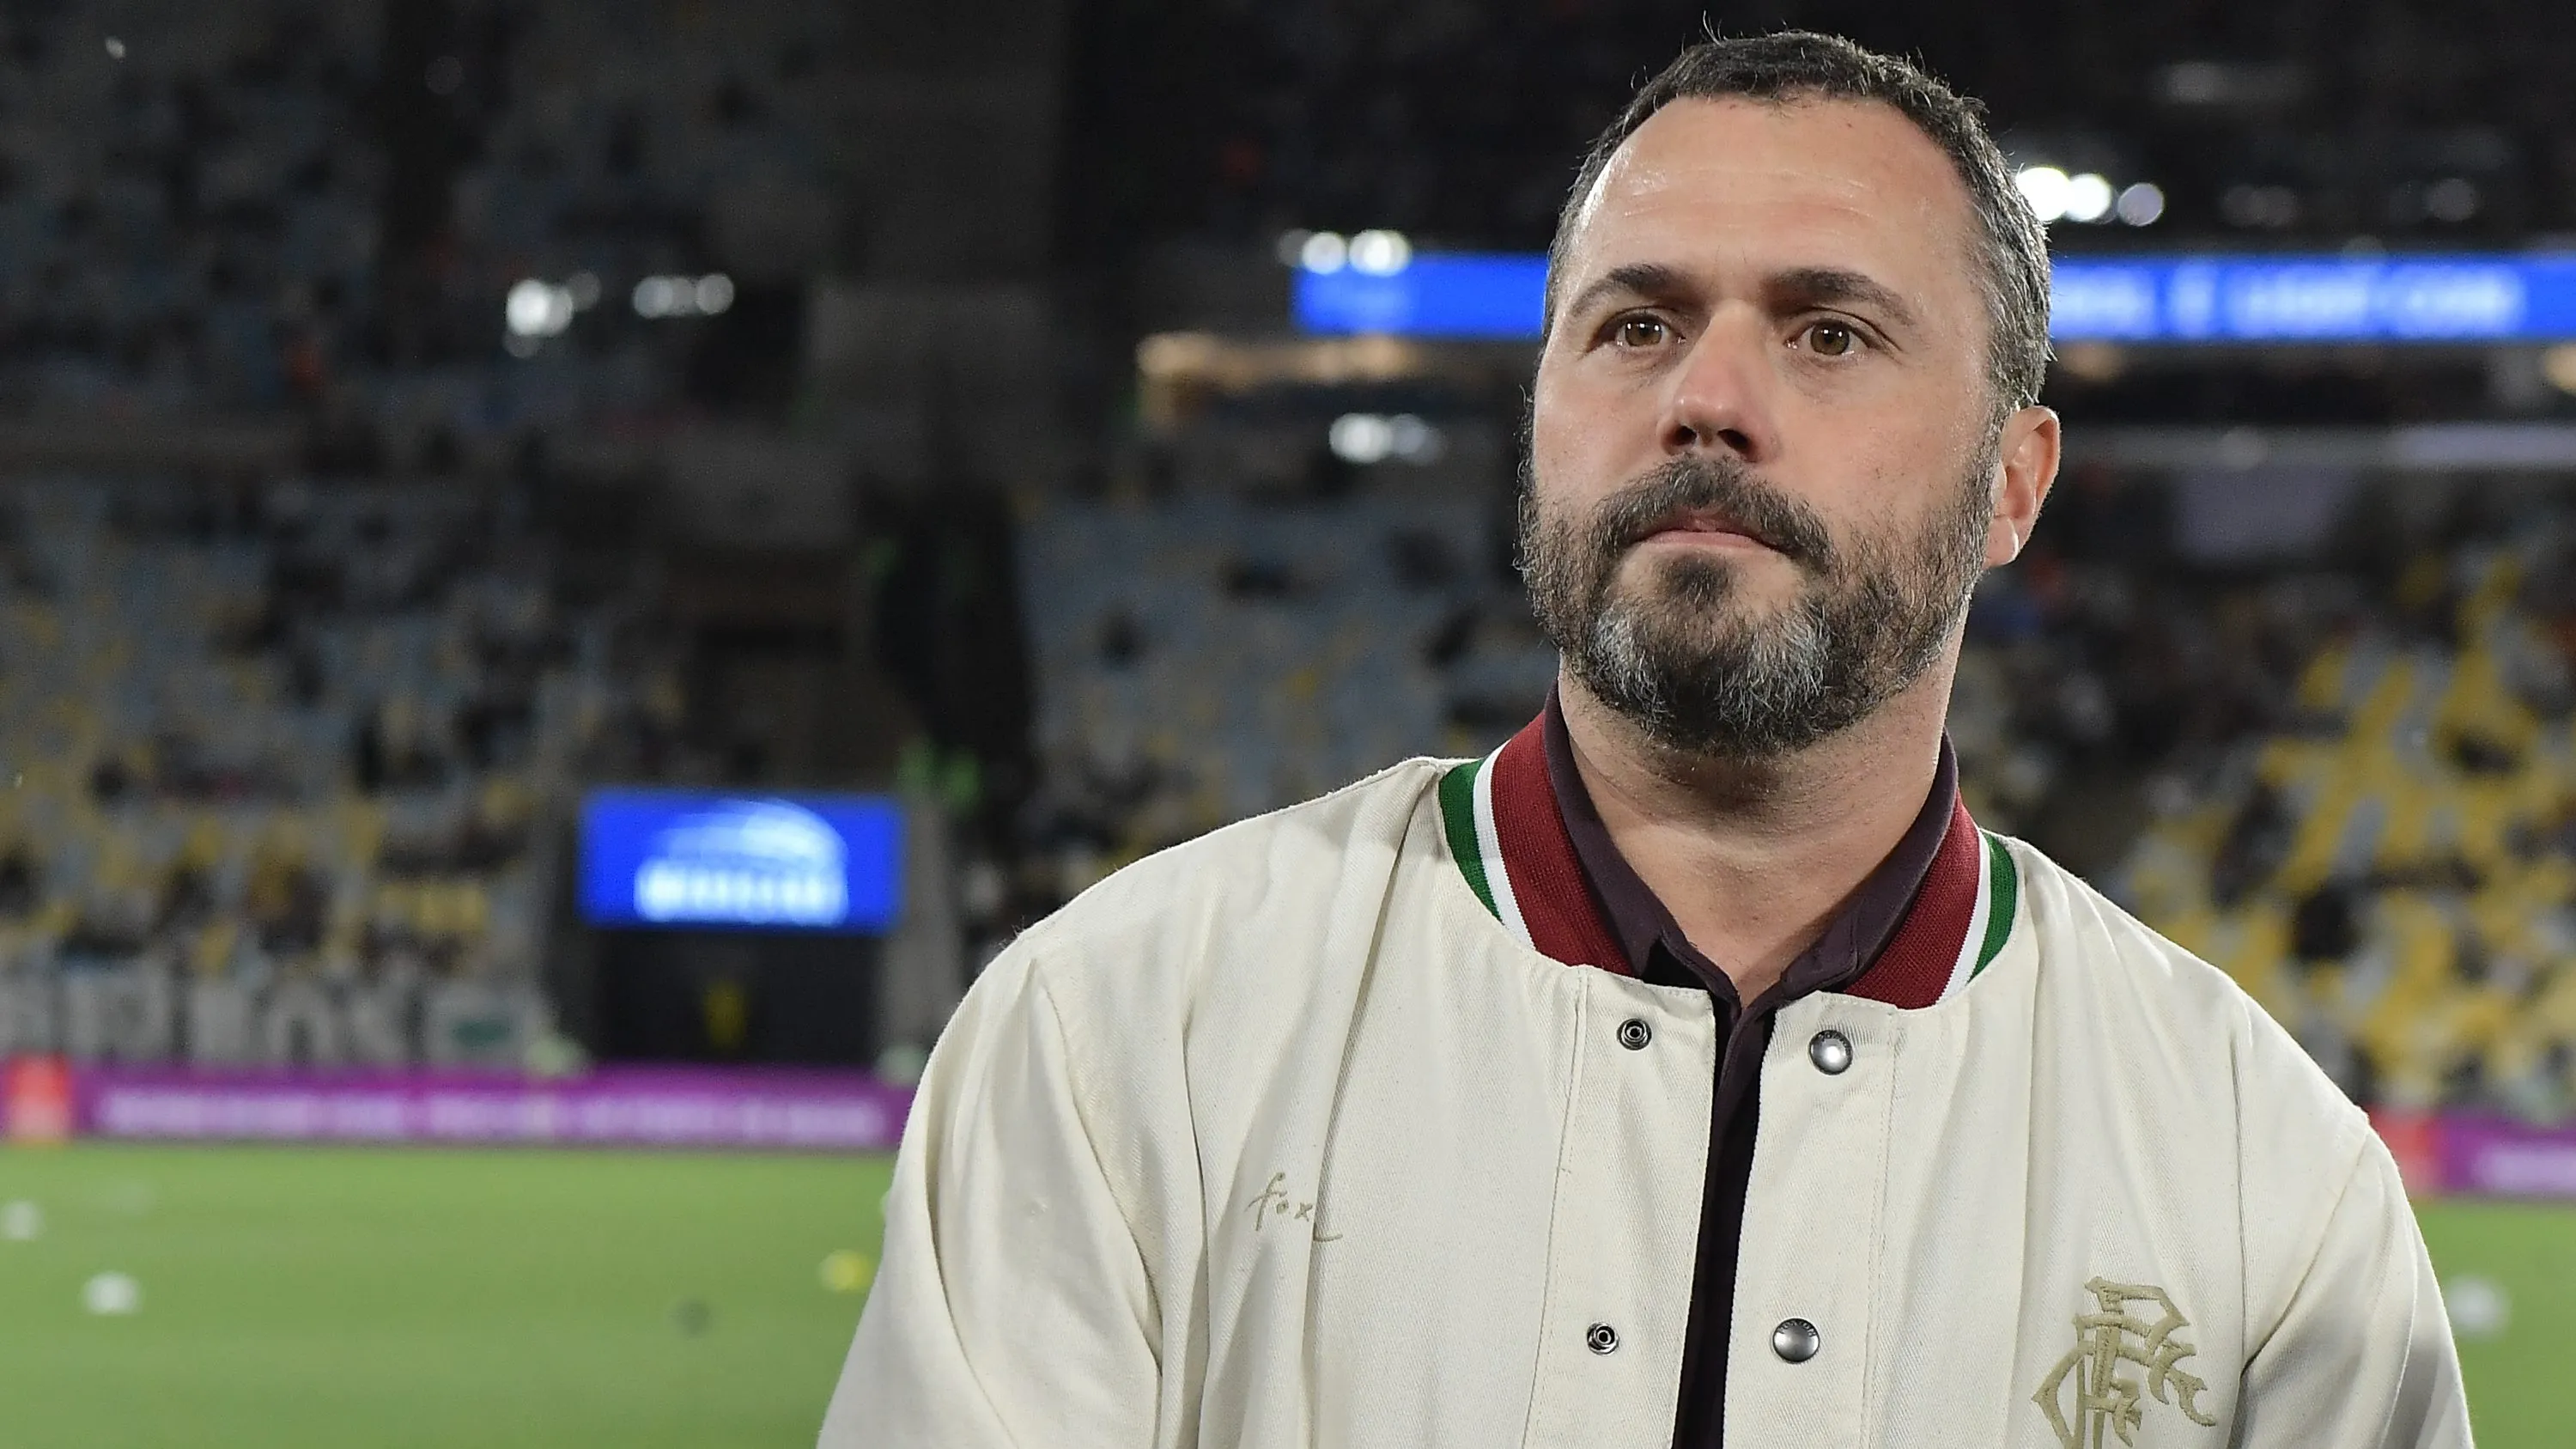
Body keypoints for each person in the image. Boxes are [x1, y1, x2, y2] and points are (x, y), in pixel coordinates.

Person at [823, 31, 2470, 1449]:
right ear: (1537, 427)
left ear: (2015, 483)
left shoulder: (2269, 1179)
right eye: (1634, 325)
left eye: (1829, 331)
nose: (1707, 396)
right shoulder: (1121, 1030)